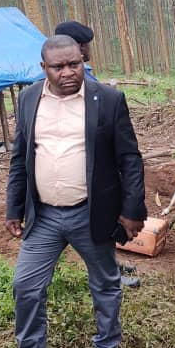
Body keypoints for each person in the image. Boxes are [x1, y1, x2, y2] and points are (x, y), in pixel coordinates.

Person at [0, 35, 146, 348]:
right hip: (42, 215)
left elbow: (129, 158)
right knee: (25, 286)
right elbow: (20, 157)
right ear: (44, 69)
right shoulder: (29, 99)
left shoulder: (107, 99)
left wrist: (133, 209)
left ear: (82, 60)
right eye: (58, 67)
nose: (68, 72)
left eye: (74, 64)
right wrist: (14, 206)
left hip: (91, 212)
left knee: (105, 283)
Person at [54, 21, 140, 288]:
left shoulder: (86, 74)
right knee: (92, 224)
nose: (89, 49)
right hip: (82, 170)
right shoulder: (66, 82)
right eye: (86, 45)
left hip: (98, 164)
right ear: (79, 47)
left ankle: (109, 263)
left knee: (101, 220)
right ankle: (107, 271)